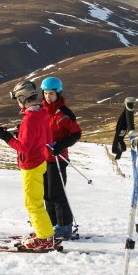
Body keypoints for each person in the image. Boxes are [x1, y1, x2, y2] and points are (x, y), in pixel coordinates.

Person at [0, 80, 55, 250]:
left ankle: (45, 238)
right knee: (35, 200)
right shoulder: (42, 114)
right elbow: (47, 139)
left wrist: (7, 137)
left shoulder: (29, 120)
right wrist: (22, 132)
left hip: (31, 165)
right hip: (40, 161)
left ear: (22, 98)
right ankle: (43, 231)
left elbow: (24, 148)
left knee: (32, 203)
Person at [39, 76, 81, 239]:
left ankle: (64, 227)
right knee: (46, 195)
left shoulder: (64, 114)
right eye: (46, 94)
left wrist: (60, 145)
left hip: (58, 159)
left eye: (52, 94)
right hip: (42, 159)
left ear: (58, 93)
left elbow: (76, 134)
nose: (49, 97)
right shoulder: (40, 111)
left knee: (57, 193)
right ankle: (51, 224)